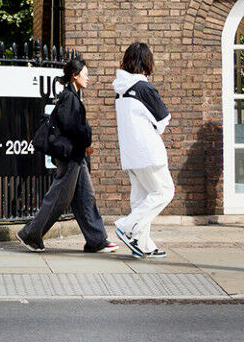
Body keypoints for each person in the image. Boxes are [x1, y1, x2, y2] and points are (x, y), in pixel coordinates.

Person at [17, 57, 118, 254]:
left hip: (76, 156)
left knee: (85, 197)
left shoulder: (73, 96)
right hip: (70, 155)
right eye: (85, 74)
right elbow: (73, 127)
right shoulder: (69, 97)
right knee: (59, 197)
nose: (88, 78)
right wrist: (87, 141)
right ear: (75, 75)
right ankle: (30, 234)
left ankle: (96, 240)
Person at [113, 42, 174, 259]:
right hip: (148, 152)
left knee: (141, 199)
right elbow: (163, 119)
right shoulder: (144, 88)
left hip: (130, 154)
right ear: (147, 62)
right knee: (164, 191)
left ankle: (142, 244)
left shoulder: (120, 90)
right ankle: (127, 226)